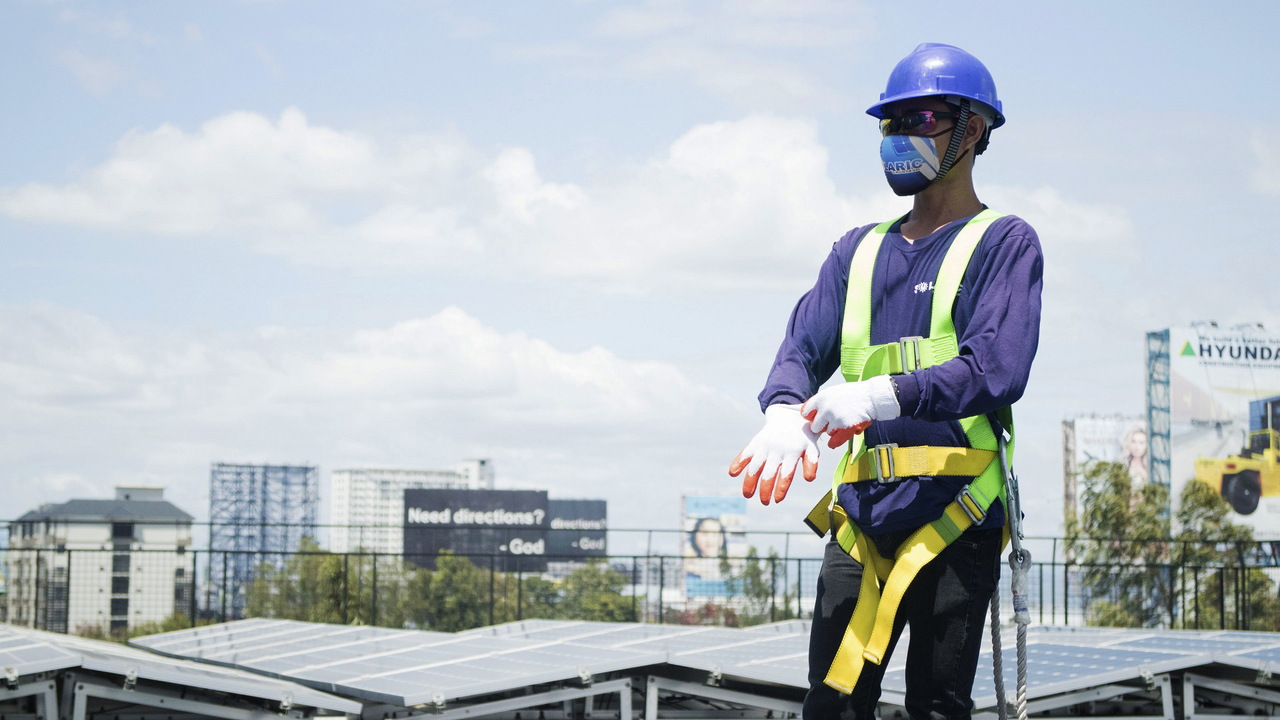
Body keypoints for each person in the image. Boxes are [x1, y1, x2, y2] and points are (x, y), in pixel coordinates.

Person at [729, 43, 1043, 720]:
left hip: (958, 512)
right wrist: (783, 408)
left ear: (973, 130)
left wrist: (876, 395)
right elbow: (801, 347)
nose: (901, 137)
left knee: (936, 705)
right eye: (890, 124)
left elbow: (998, 367)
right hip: (864, 516)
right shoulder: (857, 252)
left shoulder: (1003, 243)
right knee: (833, 701)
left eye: (921, 118)